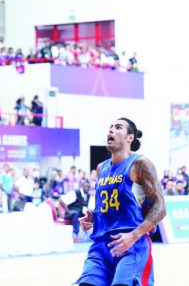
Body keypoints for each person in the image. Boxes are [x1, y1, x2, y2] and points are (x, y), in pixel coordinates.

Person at [74, 118, 166, 286]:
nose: (111, 131)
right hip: (101, 245)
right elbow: (111, 205)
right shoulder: (102, 168)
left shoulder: (140, 164)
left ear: (130, 137)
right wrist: (94, 218)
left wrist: (133, 236)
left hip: (131, 244)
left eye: (118, 127)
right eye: (110, 127)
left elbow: (160, 207)